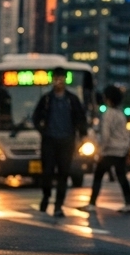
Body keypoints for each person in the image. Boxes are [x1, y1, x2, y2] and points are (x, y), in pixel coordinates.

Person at [30, 67, 87, 217]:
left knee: (64, 173)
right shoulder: (47, 99)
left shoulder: (72, 99)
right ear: (52, 80)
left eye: (61, 79)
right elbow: (35, 118)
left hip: (67, 141)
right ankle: (46, 197)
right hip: (49, 140)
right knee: (47, 172)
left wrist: (82, 135)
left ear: (65, 80)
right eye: (56, 79)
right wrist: (42, 130)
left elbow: (81, 118)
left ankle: (58, 205)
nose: (58, 82)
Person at [85, 86, 130, 213]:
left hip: (110, 150)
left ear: (107, 98)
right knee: (122, 176)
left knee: (98, 175)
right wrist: (127, 149)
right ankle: (129, 203)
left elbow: (105, 135)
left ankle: (91, 203)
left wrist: (101, 151)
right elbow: (125, 134)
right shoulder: (120, 114)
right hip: (121, 150)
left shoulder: (108, 114)